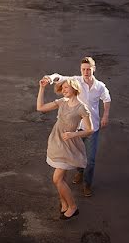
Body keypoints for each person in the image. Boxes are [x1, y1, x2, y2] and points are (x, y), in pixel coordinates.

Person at [47, 57, 111, 197]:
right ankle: (80, 172)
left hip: (91, 128)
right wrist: (50, 78)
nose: (86, 72)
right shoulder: (76, 81)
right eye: (83, 69)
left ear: (94, 69)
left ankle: (87, 184)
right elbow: (60, 77)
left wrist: (105, 115)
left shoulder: (100, 86)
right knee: (77, 154)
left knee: (91, 159)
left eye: (89, 69)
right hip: (75, 127)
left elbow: (107, 99)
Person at [37, 76, 94, 220]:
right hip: (57, 142)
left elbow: (90, 130)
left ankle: (73, 206)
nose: (63, 90)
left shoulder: (82, 108)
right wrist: (42, 88)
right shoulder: (62, 102)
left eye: (66, 88)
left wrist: (73, 134)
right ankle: (63, 201)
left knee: (56, 179)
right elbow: (40, 108)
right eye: (62, 88)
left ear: (74, 88)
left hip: (70, 146)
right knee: (61, 178)